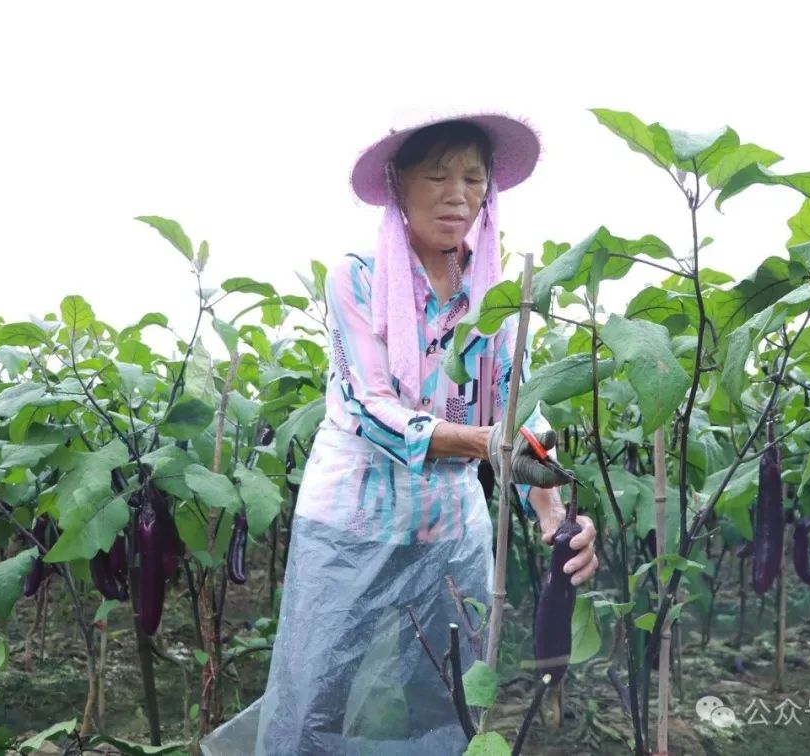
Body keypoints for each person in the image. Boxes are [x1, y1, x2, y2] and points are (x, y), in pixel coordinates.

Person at [254, 112, 598, 756]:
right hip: (351, 524)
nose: (457, 195)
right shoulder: (357, 278)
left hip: (449, 528)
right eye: (437, 176)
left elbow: (520, 410)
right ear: (399, 183)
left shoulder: (495, 296)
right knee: (315, 702)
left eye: (473, 178)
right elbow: (369, 405)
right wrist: (484, 444)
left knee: (446, 702)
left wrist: (554, 513)